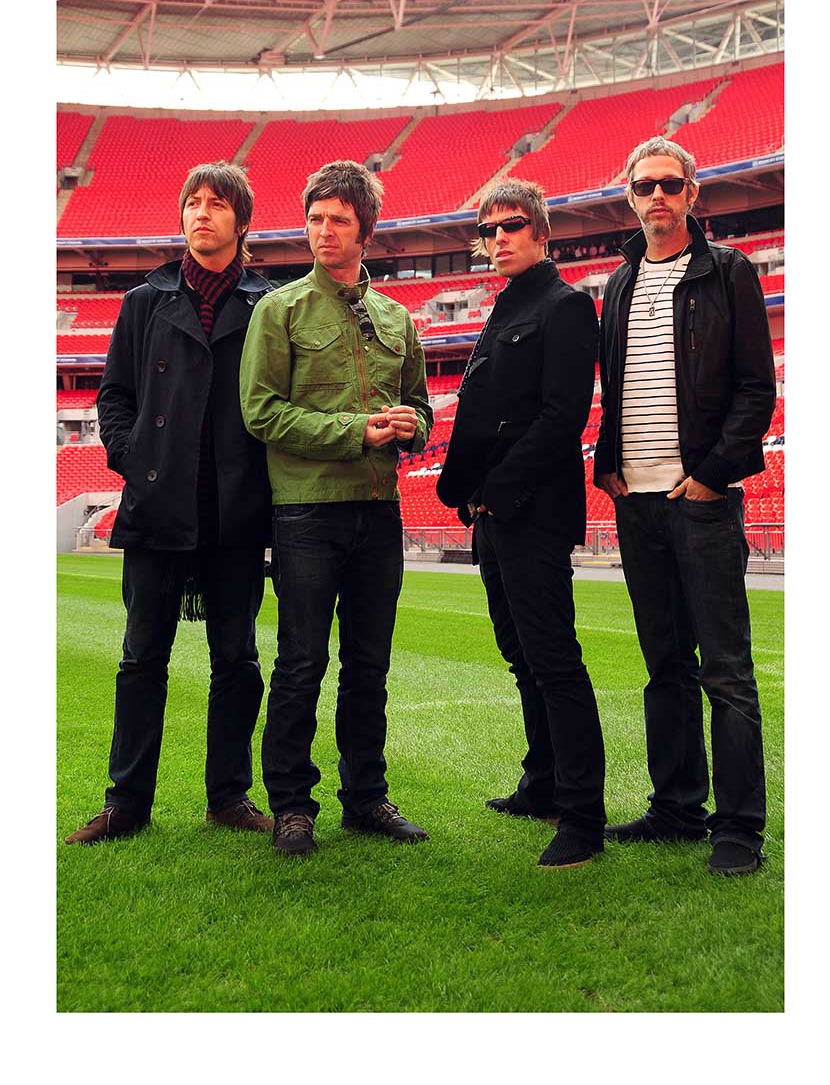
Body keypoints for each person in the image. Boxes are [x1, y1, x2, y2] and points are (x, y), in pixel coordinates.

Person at [65, 162, 274, 845]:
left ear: (240, 221)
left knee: (237, 659)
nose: (201, 213)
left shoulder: (267, 304)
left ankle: (228, 796)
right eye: (193, 202)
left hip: (234, 510)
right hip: (158, 504)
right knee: (140, 658)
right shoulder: (142, 301)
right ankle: (126, 802)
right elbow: (114, 398)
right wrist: (135, 460)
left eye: (216, 204)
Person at [594, 136, 776, 876]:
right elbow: (614, 389)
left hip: (698, 500)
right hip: (634, 501)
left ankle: (737, 826)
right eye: (644, 186)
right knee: (663, 663)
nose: (657, 197)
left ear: (692, 192)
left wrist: (707, 474)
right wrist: (609, 467)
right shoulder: (618, 282)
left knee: (725, 670)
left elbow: (754, 390)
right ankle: (676, 806)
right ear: (629, 196)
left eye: (670, 184)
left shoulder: (727, 272)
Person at [240, 160, 433, 857]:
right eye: (315, 218)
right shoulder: (280, 308)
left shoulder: (395, 316)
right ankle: (292, 804)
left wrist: (414, 424)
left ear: (365, 231)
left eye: (338, 220)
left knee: (368, 666)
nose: (324, 230)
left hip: (378, 510)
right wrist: (354, 431)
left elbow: (420, 404)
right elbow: (259, 412)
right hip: (305, 512)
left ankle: (365, 797)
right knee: (300, 664)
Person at [436, 178, 606, 869]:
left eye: (510, 226)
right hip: (493, 511)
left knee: (553, 658)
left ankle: (582, 814)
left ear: (540, 233)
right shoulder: (504, 305)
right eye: (487, 229)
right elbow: (481, 417)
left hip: (529, 510)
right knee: (521, 655)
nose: (497, 237)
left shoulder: (563, 305)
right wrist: (465, 493)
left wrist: (494, 493)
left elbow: (561, 417)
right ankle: (541, 785)